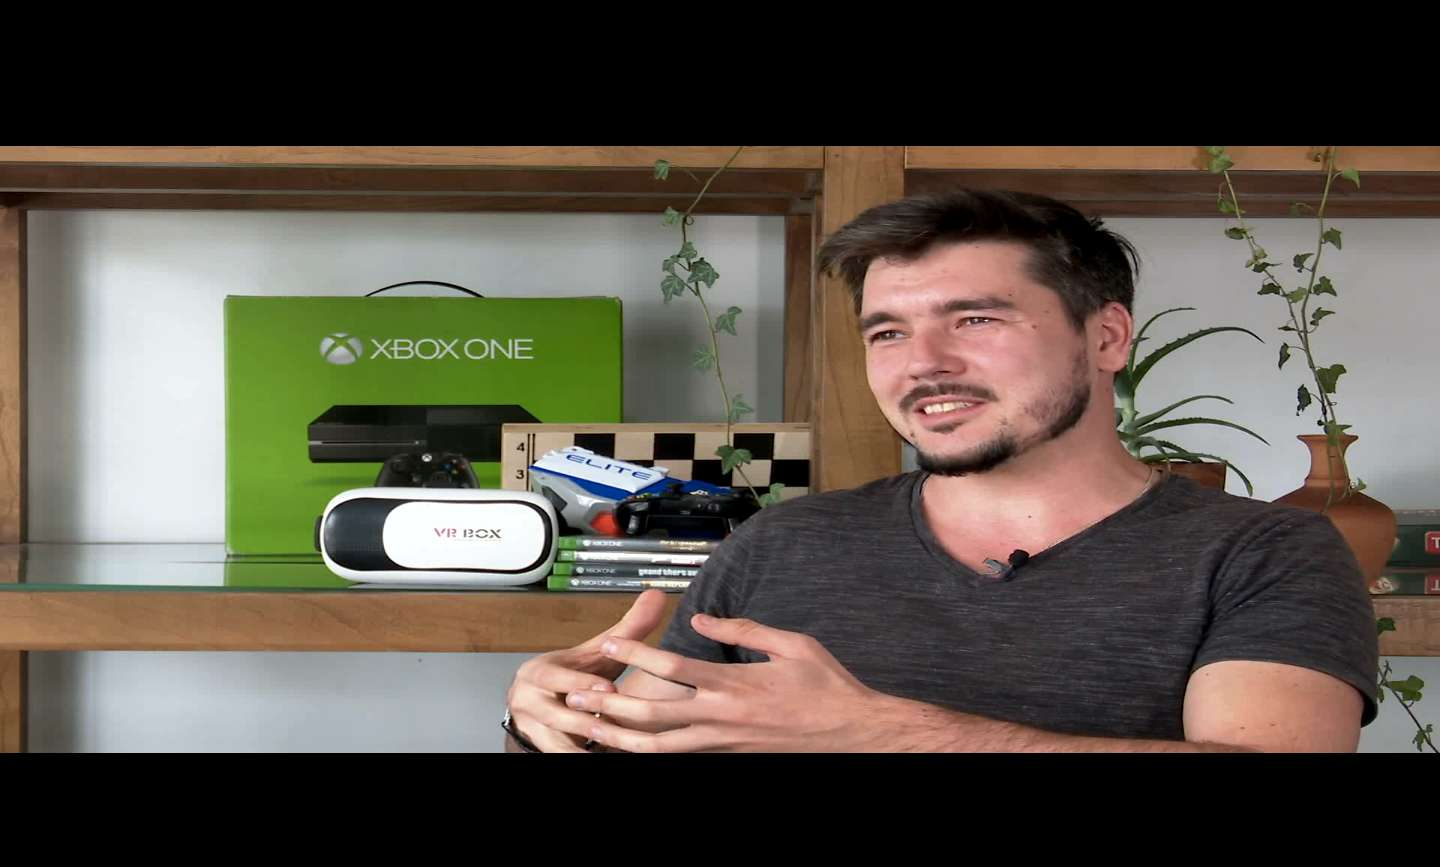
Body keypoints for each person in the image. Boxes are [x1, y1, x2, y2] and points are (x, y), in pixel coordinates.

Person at [503, 189, 1379, 753]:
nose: (922, 364)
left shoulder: (1266, 553)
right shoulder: (783, 544)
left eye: (975, 320)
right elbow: (650, 736)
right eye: (888, 332)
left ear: (1107, 337)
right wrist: (551, 725)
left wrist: (880, 729)